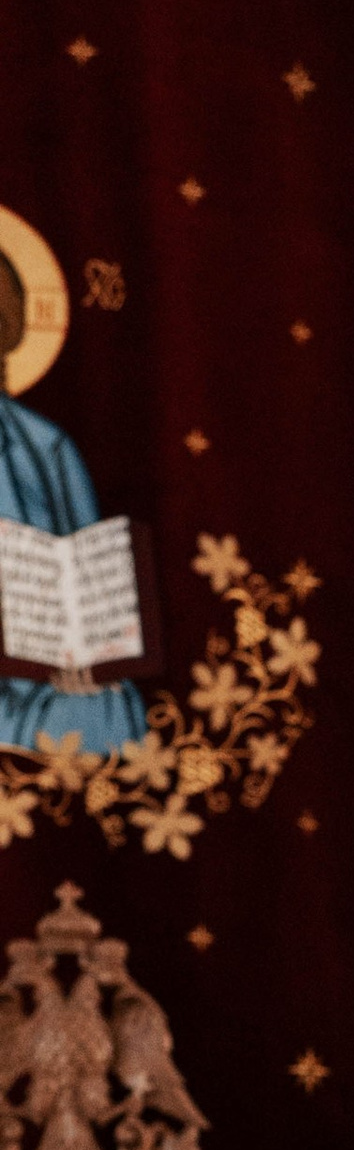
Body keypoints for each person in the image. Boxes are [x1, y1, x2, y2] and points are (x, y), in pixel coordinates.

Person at [0, 236, 148, 760]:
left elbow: (88, 575)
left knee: (105, 711)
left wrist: (88, 656)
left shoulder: (46, 447)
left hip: (36, 678)